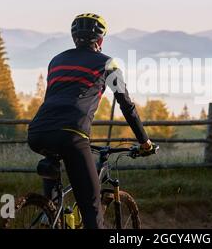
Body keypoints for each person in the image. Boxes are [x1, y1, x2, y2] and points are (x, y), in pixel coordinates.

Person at [27, 13, 155, 229]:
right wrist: (145, 142)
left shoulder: (56, 61)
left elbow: (52, 98)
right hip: (72, 133)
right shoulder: (107, 63)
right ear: (101, 40)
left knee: (53, 207)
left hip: (37, 132)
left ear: (74, 38)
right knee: (91, 207)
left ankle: (50, 216)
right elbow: (126, 105)